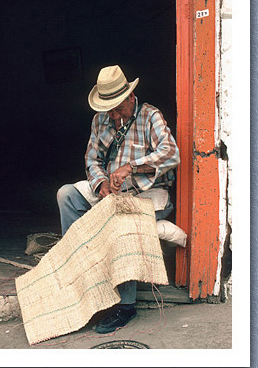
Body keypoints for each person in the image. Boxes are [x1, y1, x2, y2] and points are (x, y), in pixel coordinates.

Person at [57, 65, 180, 334]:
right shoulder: (101, 119)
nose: (113, 115)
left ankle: (125, 305)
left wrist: (131, 167)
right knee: (66, 195)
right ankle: (81, 278)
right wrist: (101, 183)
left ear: (130, 96)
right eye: (107, 109)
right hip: (112, 192)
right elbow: (92, 159)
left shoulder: (150, 117)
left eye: (117, 108)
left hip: (148, 193)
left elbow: (171, 154)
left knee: (122, 219)